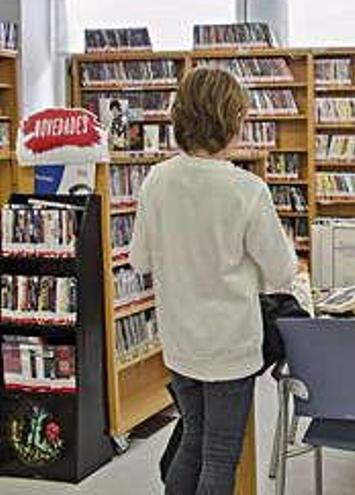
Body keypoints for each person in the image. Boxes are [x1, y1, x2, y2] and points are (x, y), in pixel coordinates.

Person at [129, 67, 298, 495]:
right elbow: (281, 274)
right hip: (230, 346)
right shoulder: (246, 189)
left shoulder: (157, 180)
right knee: (221, 456)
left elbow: (139, 259)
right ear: (232, 119)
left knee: (192, 438)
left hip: (180, 341)